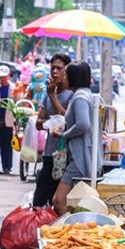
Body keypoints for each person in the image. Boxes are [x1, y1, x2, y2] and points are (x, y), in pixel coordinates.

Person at [51, 62, 102, 215]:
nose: (64, 78)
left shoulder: (80, 97)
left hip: (80, 158)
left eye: (66, 75)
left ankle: (69, 229)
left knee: (59, 200)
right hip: (81, 155)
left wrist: (63, 135)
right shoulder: (85, 94)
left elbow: (83, 124)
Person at [33, 53, 73, 207]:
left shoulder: (72, 95)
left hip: (65, 157)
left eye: (59, 68)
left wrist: (52, 96)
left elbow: (68, 120)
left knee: (58, 203)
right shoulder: (47, 95)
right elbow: (38, 123)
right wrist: (54, 121)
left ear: (66, 72)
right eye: (52, 68)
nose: (55, 72)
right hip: (49, 155)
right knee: (39, 202)